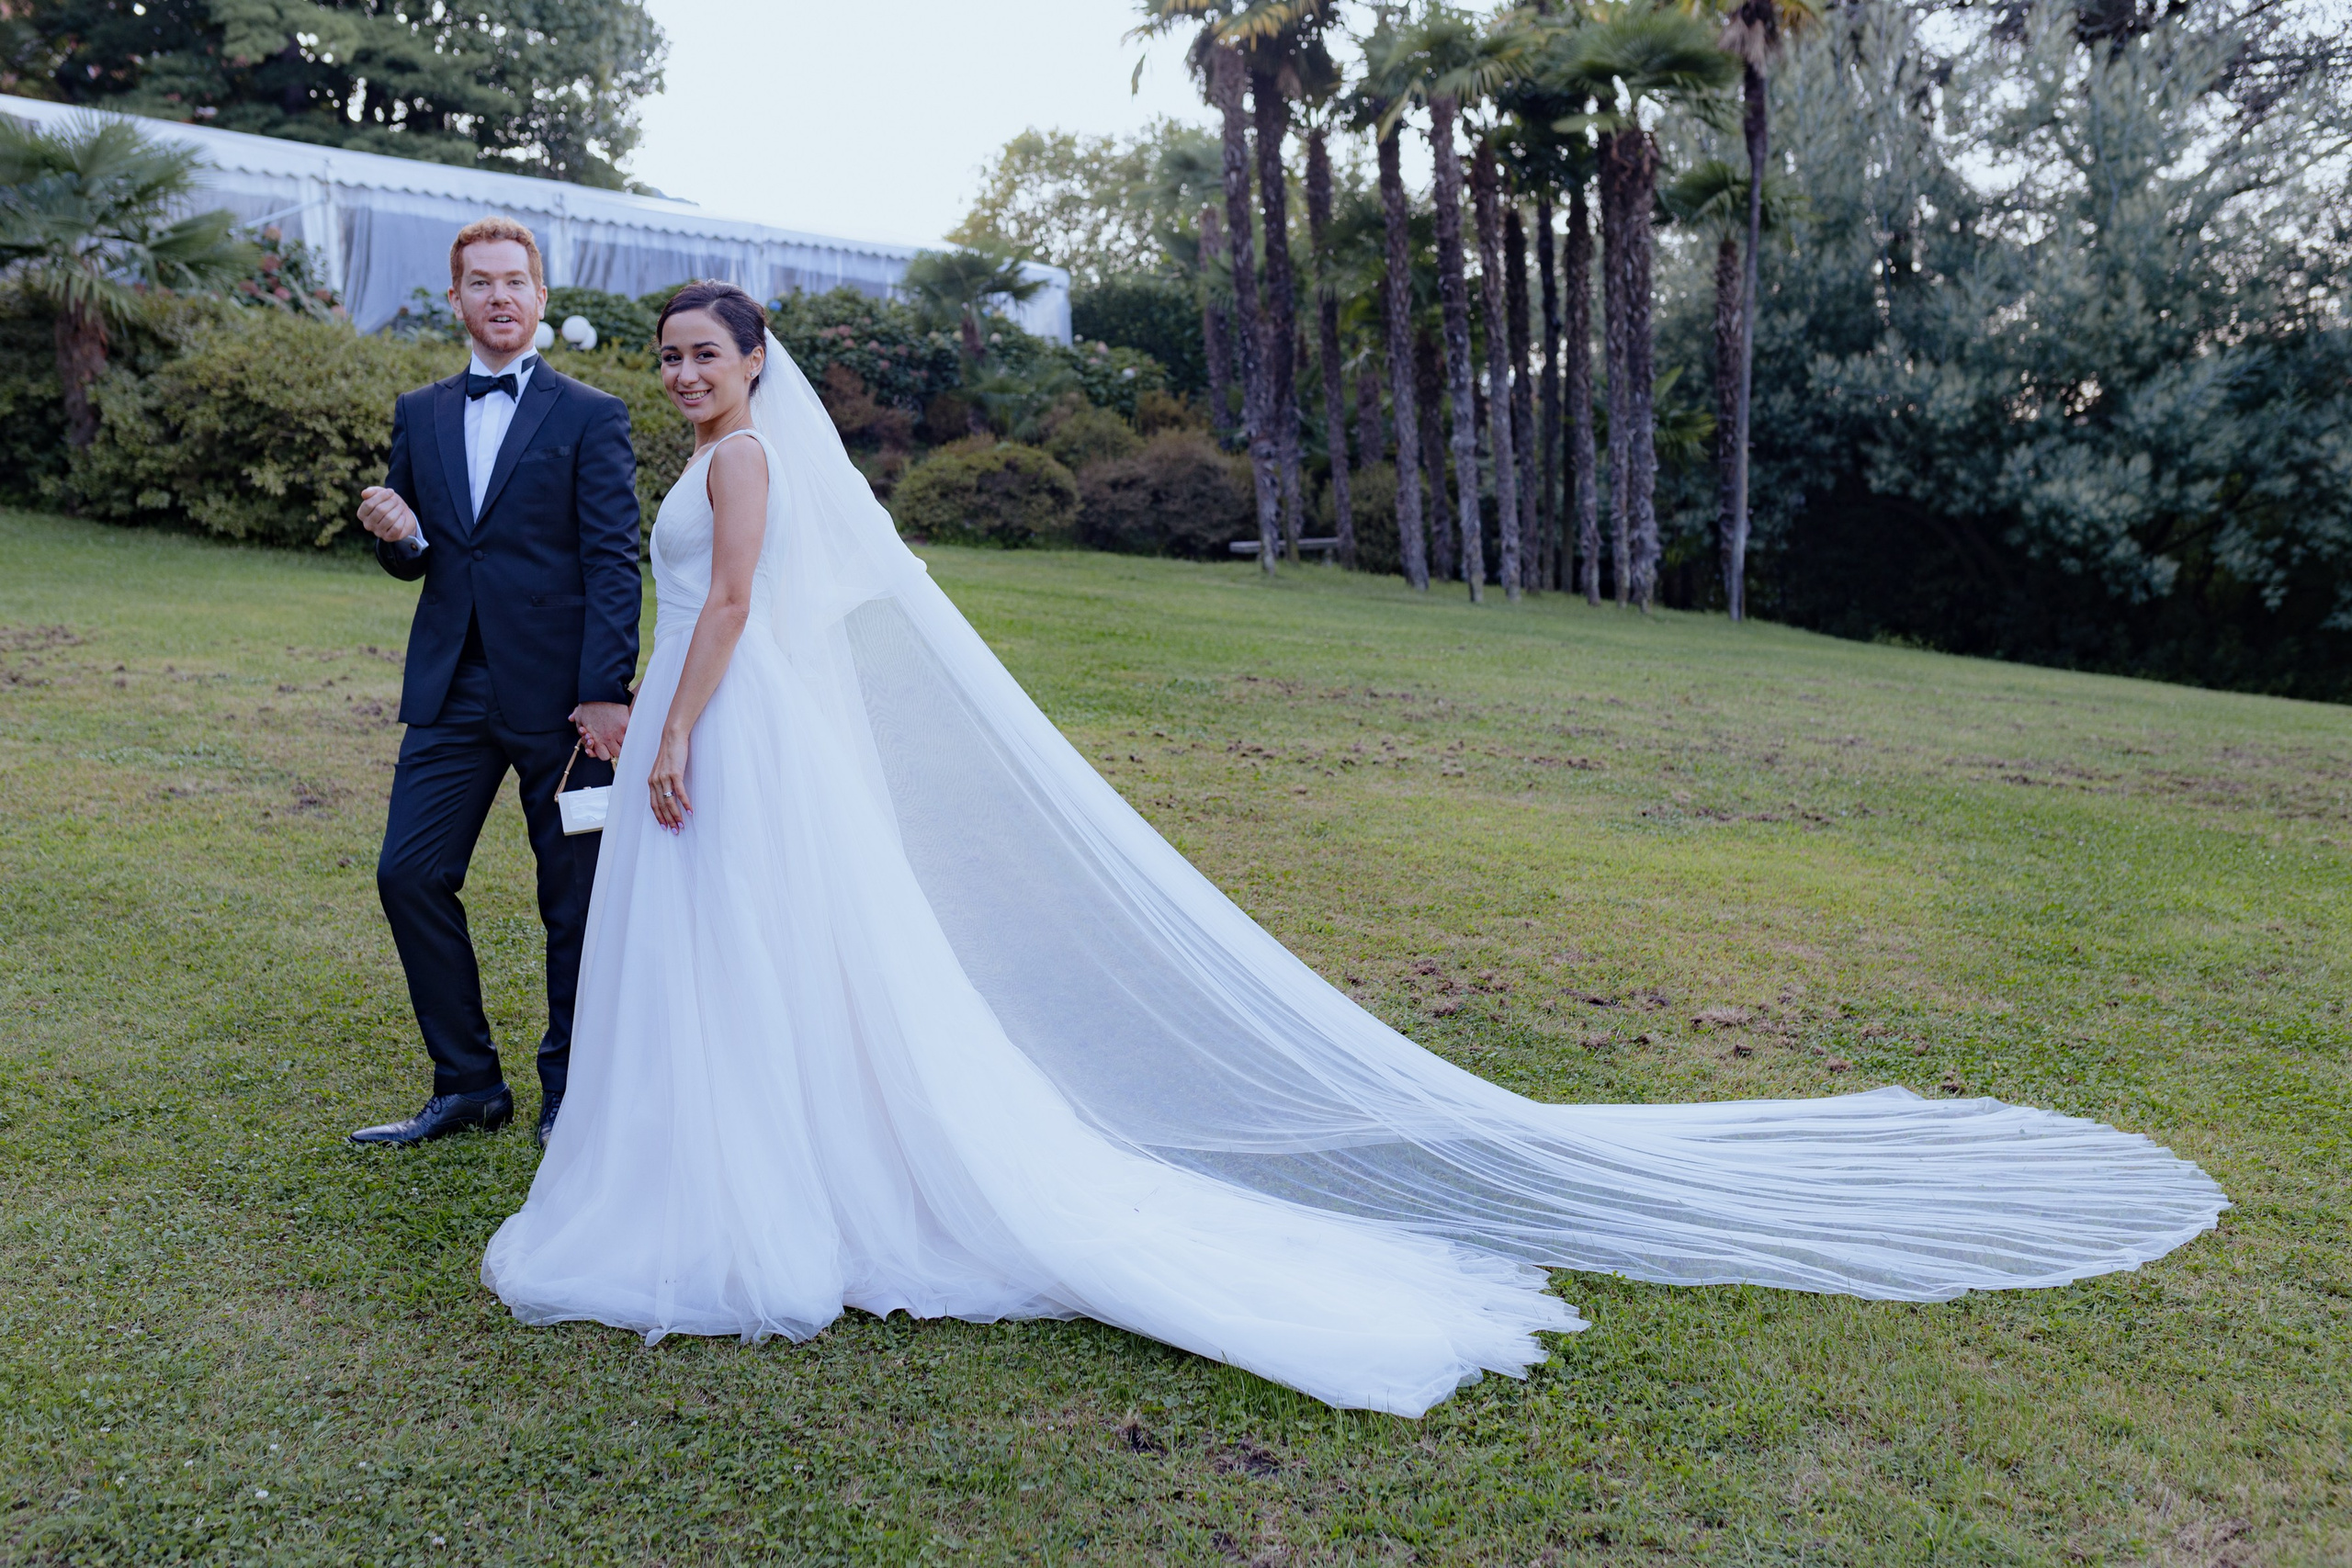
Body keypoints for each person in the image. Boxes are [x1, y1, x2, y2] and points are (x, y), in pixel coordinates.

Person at [481, 282, 2226, 1416]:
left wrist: (677, 729)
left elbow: (734, 625)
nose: (691, 372)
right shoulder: (703, 459)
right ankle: (751, 1153)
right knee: (753, 966)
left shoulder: (750, 472)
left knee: (770, 953)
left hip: (734, 739)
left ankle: (782, 1179)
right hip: (727, 742)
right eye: (675, 357)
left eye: (711, 353)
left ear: (759, 363)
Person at [350, 218, 641, 1150]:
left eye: (515, 281)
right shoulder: (420, 411)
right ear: (456, 300)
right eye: (480, 283)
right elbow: (422, 556)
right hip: (451, 688)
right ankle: (469, 1084)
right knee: (409, 873)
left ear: (541, 297)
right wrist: (399, 536)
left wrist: (606, 691)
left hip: (565, 703)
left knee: (576, 897)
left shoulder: (591, 416)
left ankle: (571, 1095)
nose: (500, 297)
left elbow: (612, 561)